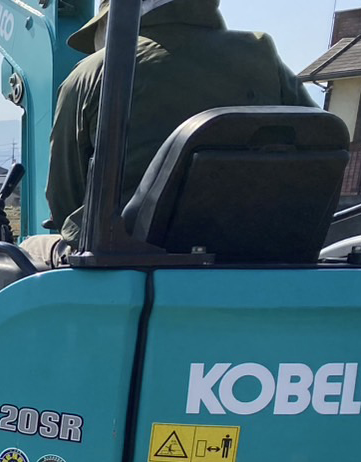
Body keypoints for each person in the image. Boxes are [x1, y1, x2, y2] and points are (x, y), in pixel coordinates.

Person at [20, 0, 316, 266]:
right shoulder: (263, 55)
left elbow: (64, 202)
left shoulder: (91, 74)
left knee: (29, 247)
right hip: (258, 249)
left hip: (129, 256)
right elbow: (319, 142)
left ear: (111, 22)